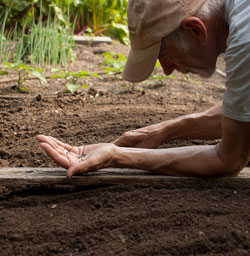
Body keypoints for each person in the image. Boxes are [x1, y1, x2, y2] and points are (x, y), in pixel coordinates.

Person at [37, 0, 250, 178]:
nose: (166, 70)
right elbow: (241, 114)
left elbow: (229, 158)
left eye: (164, 55)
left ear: (195, 30)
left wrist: (116, 156)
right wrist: (160, 132)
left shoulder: (245, 41)